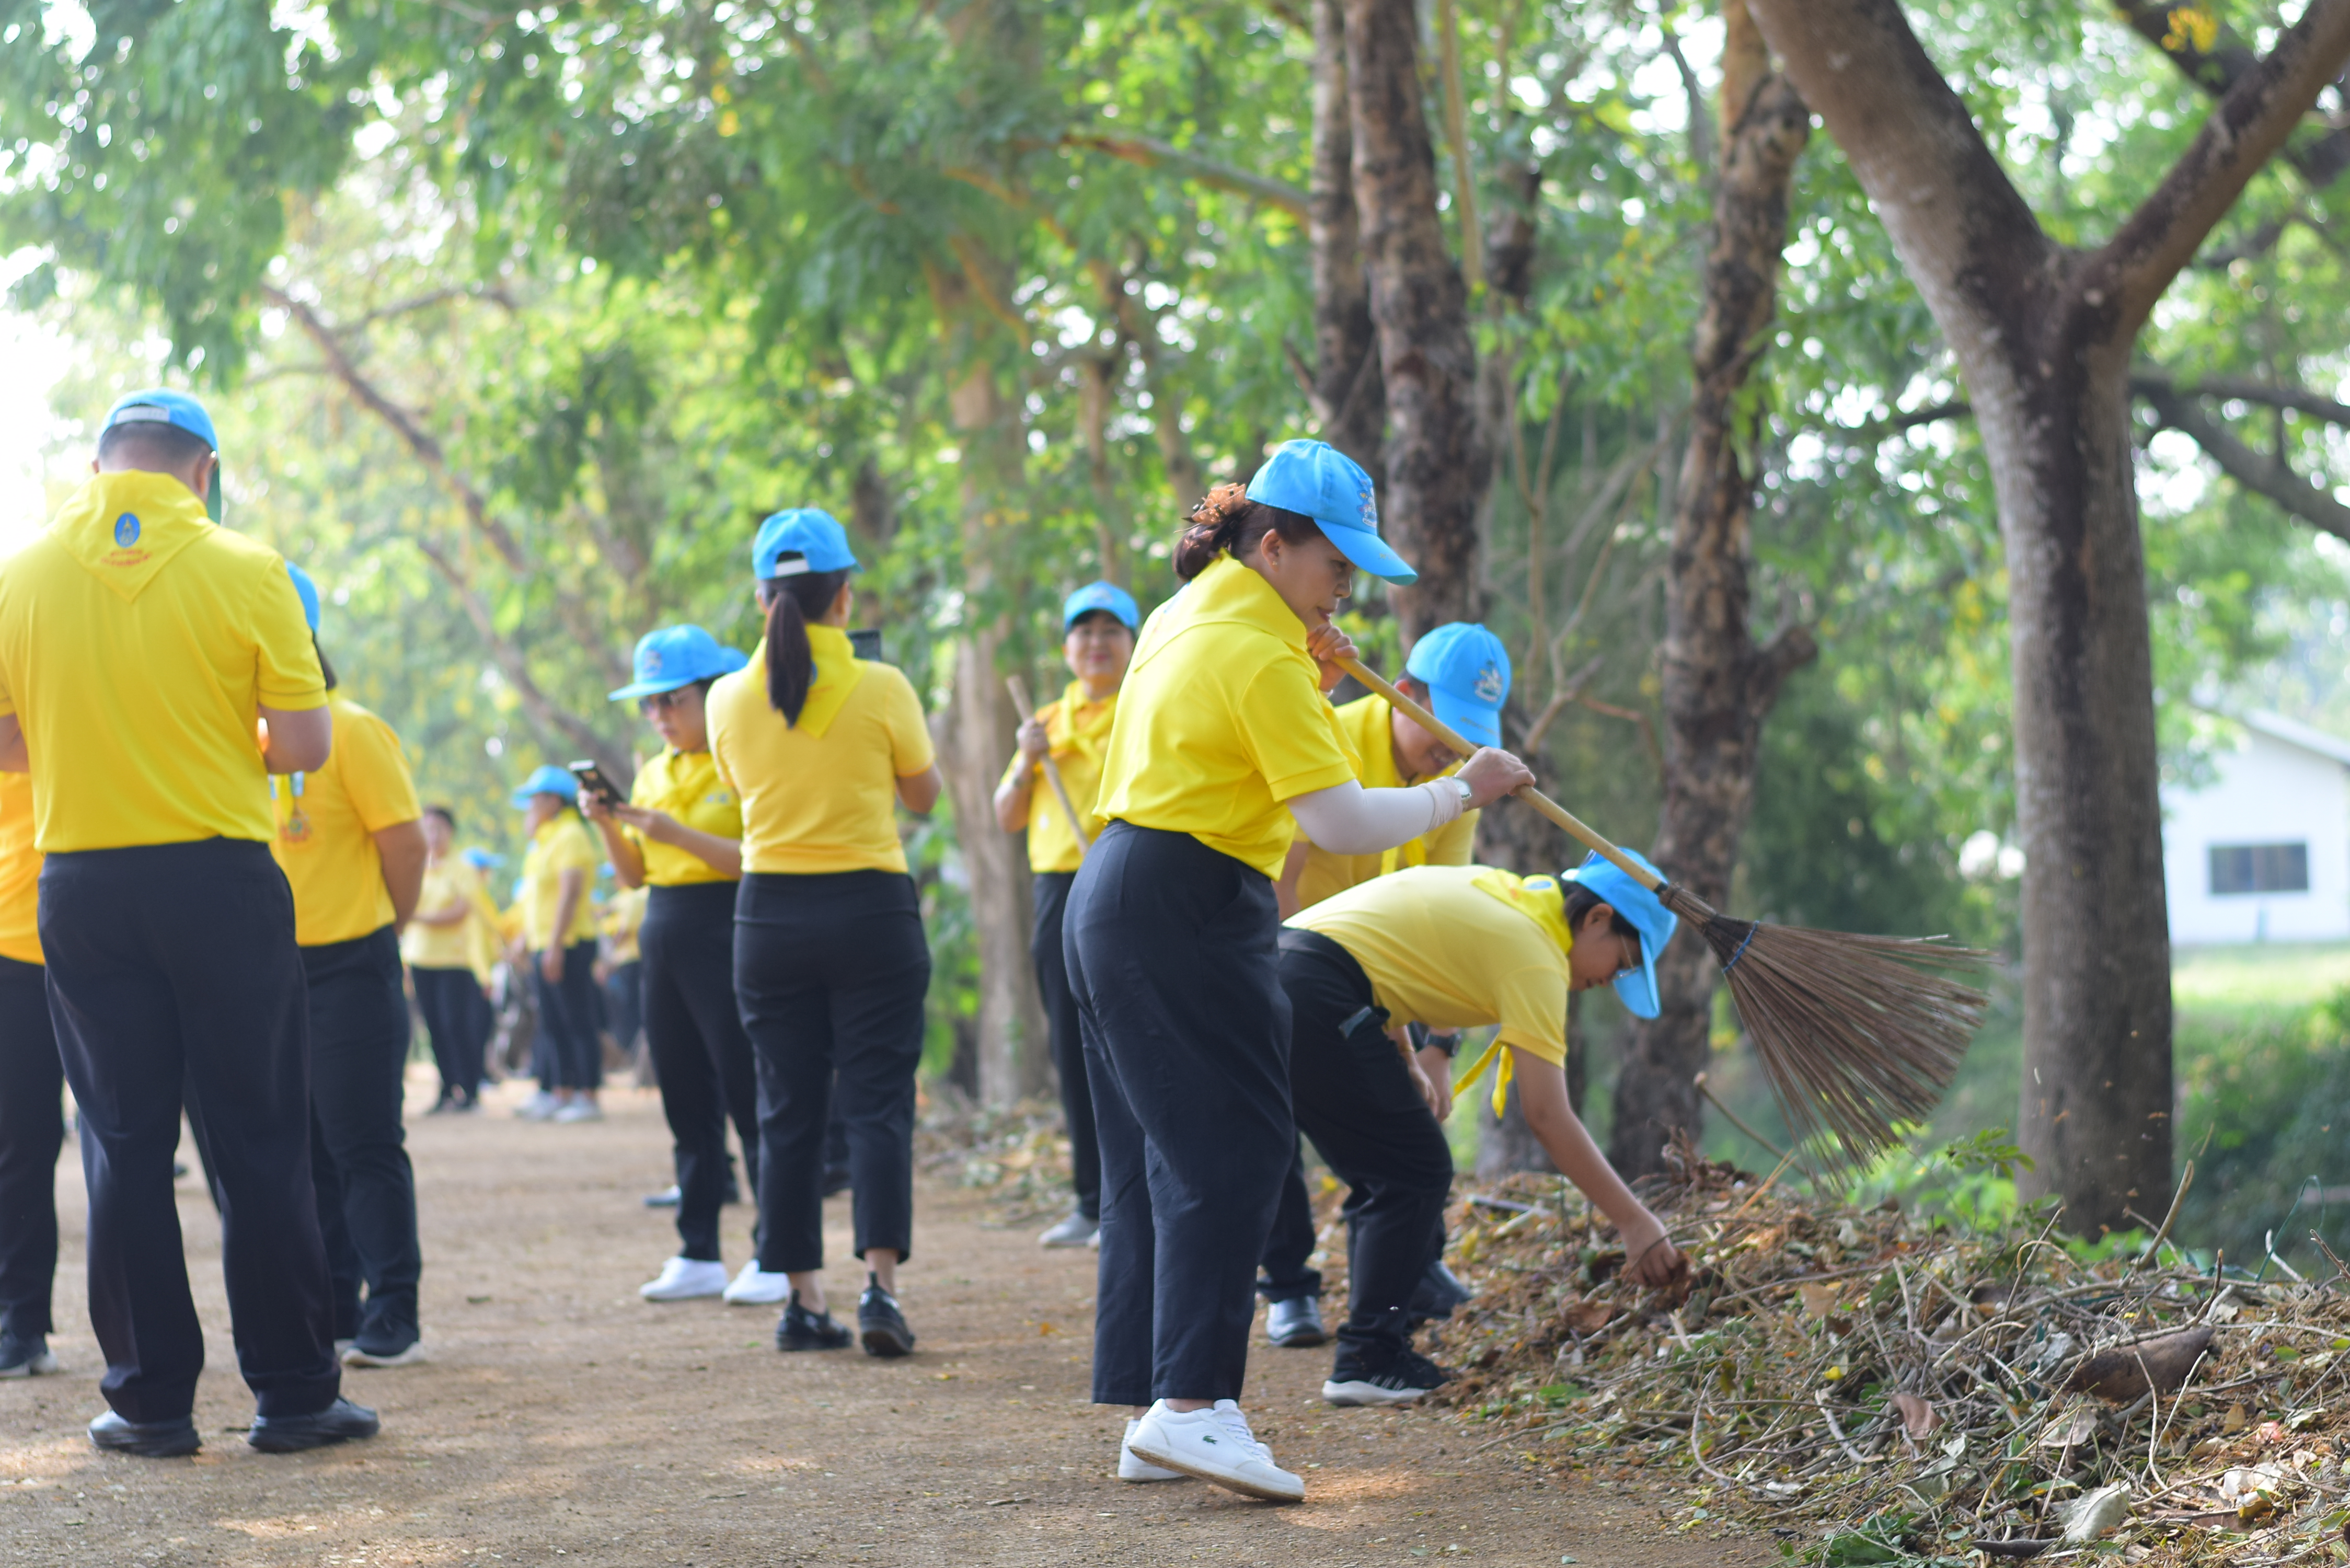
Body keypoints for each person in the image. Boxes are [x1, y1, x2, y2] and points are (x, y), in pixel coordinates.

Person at [1063, 439, 1534, 1501]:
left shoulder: (1197, 610)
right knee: (1233, 1147)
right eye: (1335, 565)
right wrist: (1467, 789)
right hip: (1179, 898)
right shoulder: (1256, 648)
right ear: (1272, 545)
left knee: (1169, 1155)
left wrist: (1312, 679)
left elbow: (1247, 752)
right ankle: (1193, 1408)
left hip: (1125, 890)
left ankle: (1160, 1408)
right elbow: (1337, 819)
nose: (1346, 588)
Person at [0, 388, 375, 1456]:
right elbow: (303, 744)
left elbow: (3, 742)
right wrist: (205, 736)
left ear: (101, 465)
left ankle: (149, 1401)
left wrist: (95, 738)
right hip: (217, 879)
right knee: (258, 1137)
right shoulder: (248, 570)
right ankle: (296, 1396)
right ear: (202, 471)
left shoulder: (17, 575)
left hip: (79, 887)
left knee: (120, 1141)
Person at [1282, 853, 1687, 1405]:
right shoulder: (1536, 954)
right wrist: (1634, 1222)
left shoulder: (1504, 894)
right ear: (1595, 918)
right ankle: (1369, 1356)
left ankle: (1388, 1327)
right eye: (1620, 963)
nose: (1606, 983)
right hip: (1317, 988)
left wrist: (1403, 1056)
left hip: (1282, 969)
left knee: (1390, 1165)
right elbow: (1546, 1116)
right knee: (1413, 1169)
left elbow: (1386, 943)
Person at [707, 510, 943, 1357]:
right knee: (877, 1103)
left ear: (762, 597)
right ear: (845, 596)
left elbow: (740, 792)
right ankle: (880, 1288)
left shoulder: (726, 697)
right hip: (870, 913)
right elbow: (924, 796)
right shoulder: (883, 687)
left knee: (787, 1109)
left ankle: (803, 1301)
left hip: (769, 917)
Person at [1259, 621, 1511, 1348]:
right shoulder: (1329, 740)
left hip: (1366, 969)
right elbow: (1284, 887)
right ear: (1401, 695)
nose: (1450, 750)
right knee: (1275, 1109)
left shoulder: (1455, 787)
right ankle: (1287, 1285)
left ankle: (1415, 1266)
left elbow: (1441, 915)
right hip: (1281, 947)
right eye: (1441, 728)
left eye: (1467, 738)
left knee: (1411, 1108)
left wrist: (1433, 1048)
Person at [584, 625, 789, 1306]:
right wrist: (610, 825)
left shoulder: (742, 758)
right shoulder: (652, 770)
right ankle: (698, 1247)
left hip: (729, 923)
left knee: (745, 1088)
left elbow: (758, 856)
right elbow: (635, 877)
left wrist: (678, 834)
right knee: (684, 1094)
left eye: (672, 701)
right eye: (650, 705)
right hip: (663, 930)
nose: (660, 717)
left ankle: (777, 1250)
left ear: (712, 694)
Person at [267, 566, 431, 1369]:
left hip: (350, 963)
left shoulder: (352, 729)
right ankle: (336, 1299)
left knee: (363, 1141)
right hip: (268, 973)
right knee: (301, 1147)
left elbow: (404, 843)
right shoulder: (235, 740)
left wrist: (383, 934)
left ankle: (394, 1308)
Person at [992, 581, 1138, 1250]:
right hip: (1057, 890)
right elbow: (1005, 816)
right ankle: (1091, 1201)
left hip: (1126, 882)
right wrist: (1027, 761)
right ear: (1066, 648)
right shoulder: (1042, 724)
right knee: (1072, 1047)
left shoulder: (1146, 711)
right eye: (1085, 631)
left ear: (1132, 643)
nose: (1097, 643)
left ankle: (1141, 1198)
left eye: (1111, 630)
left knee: (1137, 1041)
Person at [0, 766, 62, 1379]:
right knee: (20, 1149)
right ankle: (21, 1320)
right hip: (15, 953)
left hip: (113, 943)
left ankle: (308, 1311)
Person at [512, 766, 604, 1122]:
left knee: (577, 1019)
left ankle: (588, 1095)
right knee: (551, 1021)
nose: (529, 808)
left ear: (554, 801)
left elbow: (570, 892)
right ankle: (560, 1092)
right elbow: (538, 900)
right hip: (545, 942)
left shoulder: (570, 835)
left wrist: (554, 946)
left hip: (568, 942)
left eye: (534, 800)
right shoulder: (544, 840)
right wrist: (526, 940)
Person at [404, 808, 500, 1112]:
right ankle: (446, 1088)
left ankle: (469, 1089)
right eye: (427, 828)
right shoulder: (416, 866)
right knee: (433, 1027)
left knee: (455, 1024)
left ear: (451, 832)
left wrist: (417, 916)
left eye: (439, 828)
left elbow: (460, 910)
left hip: (454, 961)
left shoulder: (462, 869)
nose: (433, 835)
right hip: (421, 959)